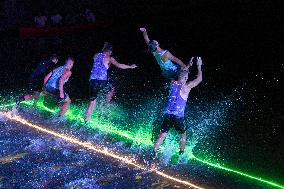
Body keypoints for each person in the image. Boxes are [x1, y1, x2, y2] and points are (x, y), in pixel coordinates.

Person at [151, 57, 203, 158]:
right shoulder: (186, 87)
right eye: (187, 77)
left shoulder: (172, 83)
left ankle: (153, 152)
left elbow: (181, 73)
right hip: (178, 117)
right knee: (183, 134)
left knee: (162, 134)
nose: (187, 78)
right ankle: (180, 154)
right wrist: (199, 66)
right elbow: (199, 79)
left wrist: (188, 66)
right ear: (185, 79)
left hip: (167, 114)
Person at [85, 42, 137, 123]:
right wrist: (130, 66)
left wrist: (104, 48)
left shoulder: (96, 55)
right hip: (102, 82)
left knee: (92, 102)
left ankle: (86, 120)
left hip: (92, 81)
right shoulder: (109, 58)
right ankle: (106, 103)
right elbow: (119, 65)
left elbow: (99, 57)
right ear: (109, 51)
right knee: (112, 88)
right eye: (111, 52)